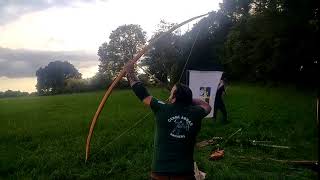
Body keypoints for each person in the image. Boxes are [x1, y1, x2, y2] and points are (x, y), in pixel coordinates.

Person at [125, 62, 211, 180]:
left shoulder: (161, 108)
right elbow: (207, 106)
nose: (169, 96)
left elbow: (142, 93)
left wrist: (130, 72)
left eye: (172, 93)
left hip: (160, 173)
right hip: (185, 173)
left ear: (174, 97)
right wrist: (190, 100)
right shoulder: (197, 112)